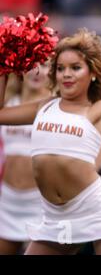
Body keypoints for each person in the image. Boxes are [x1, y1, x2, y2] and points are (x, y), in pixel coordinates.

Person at [0, 28, 101, 255]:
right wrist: (4, 67)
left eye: (75, 68)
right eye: (60, 68)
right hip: (54, 217)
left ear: (92, 72)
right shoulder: (44, 106)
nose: (67, 74)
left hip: (96, 211)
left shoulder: (100, 109)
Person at [0, 66, 51, 255]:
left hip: (40, 203)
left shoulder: (53, 105)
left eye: (45, 65)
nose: (37, 72)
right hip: (7, 201)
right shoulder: (7, 102)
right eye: (31, 65)